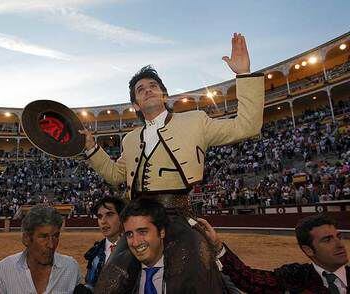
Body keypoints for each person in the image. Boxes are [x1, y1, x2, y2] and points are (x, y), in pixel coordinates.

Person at [80, 33, 264, 293]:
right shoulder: (130, 139)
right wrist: (91, 150)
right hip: (137, 218)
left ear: (164, 94)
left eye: (153, 85)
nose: (148, 90)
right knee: (110, 282)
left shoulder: (195, 121)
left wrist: (244, 75)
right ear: (135, 104)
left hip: (178, 216)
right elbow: (115, 175)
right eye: (140, 90)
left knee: (193, 279)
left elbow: (247, 125)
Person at [198, 214, 349, 293]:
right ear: (308, 250)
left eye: (339, 236)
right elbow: (249, 279)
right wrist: (217, 246)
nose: (339, 244)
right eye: (327, 240)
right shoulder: (295, 277)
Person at [0, 204, 82, 294]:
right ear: (26, 239)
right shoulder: (3, 271)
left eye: (55, 236)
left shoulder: (71, 268)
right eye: (43, 237)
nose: (51, 245)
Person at [82, 196, 126, 292]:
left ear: (122, 217)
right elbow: (90, 284)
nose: (103, 221)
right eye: (100, 217)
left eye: (109, 215)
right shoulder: (95, 253)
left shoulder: (134, 248)